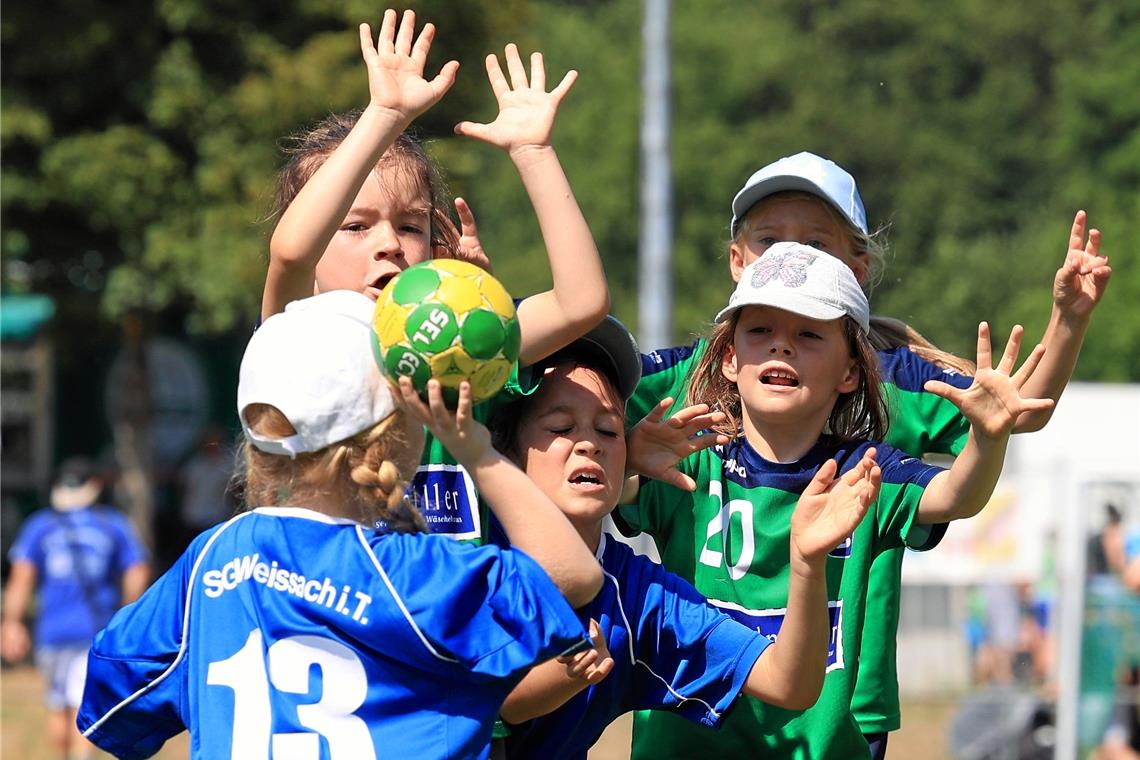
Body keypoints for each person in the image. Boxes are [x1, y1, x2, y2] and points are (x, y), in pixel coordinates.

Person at [625, 151, 1111, 758]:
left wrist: (1065, 324)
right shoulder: (689, 394)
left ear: (857, 270)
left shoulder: (884, 393)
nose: (790, 259)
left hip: (838, 708)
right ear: (735, 263)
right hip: (697, 711)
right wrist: (628, 461)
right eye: (769, 241)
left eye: (815, 245)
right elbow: (581, 434)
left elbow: (1009, 416)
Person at [76, 290, 603, 759]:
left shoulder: (209, 561)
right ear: (392, 435)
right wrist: (479, 453)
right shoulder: (409, 573)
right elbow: (576, 575)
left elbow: (111, 690)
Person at [262, 9, 609, 539]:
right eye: (354, 226)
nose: (389, 246)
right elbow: (289, 253)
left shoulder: (457, 349)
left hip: (451, 621)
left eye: (410, 226)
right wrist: (385, 115)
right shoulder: (301, 342)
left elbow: (581, 302)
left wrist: (533, 151)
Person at [478, 317, 880, 759]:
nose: (589, 444)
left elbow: (789, 683)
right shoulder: (462, 547)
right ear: (507, 450)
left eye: (609, 430)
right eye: (560, 427)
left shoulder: (637, 597)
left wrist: (806, 561)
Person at [1, 457, 149, 760]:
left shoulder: (40, 525)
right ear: (94, 487)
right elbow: (137, 569)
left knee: (57, 705)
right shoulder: (113, 524)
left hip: (52, 633)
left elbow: (21, 577)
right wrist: (127, 613)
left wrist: (11, 623)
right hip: (95, 631)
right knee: (84, 707)